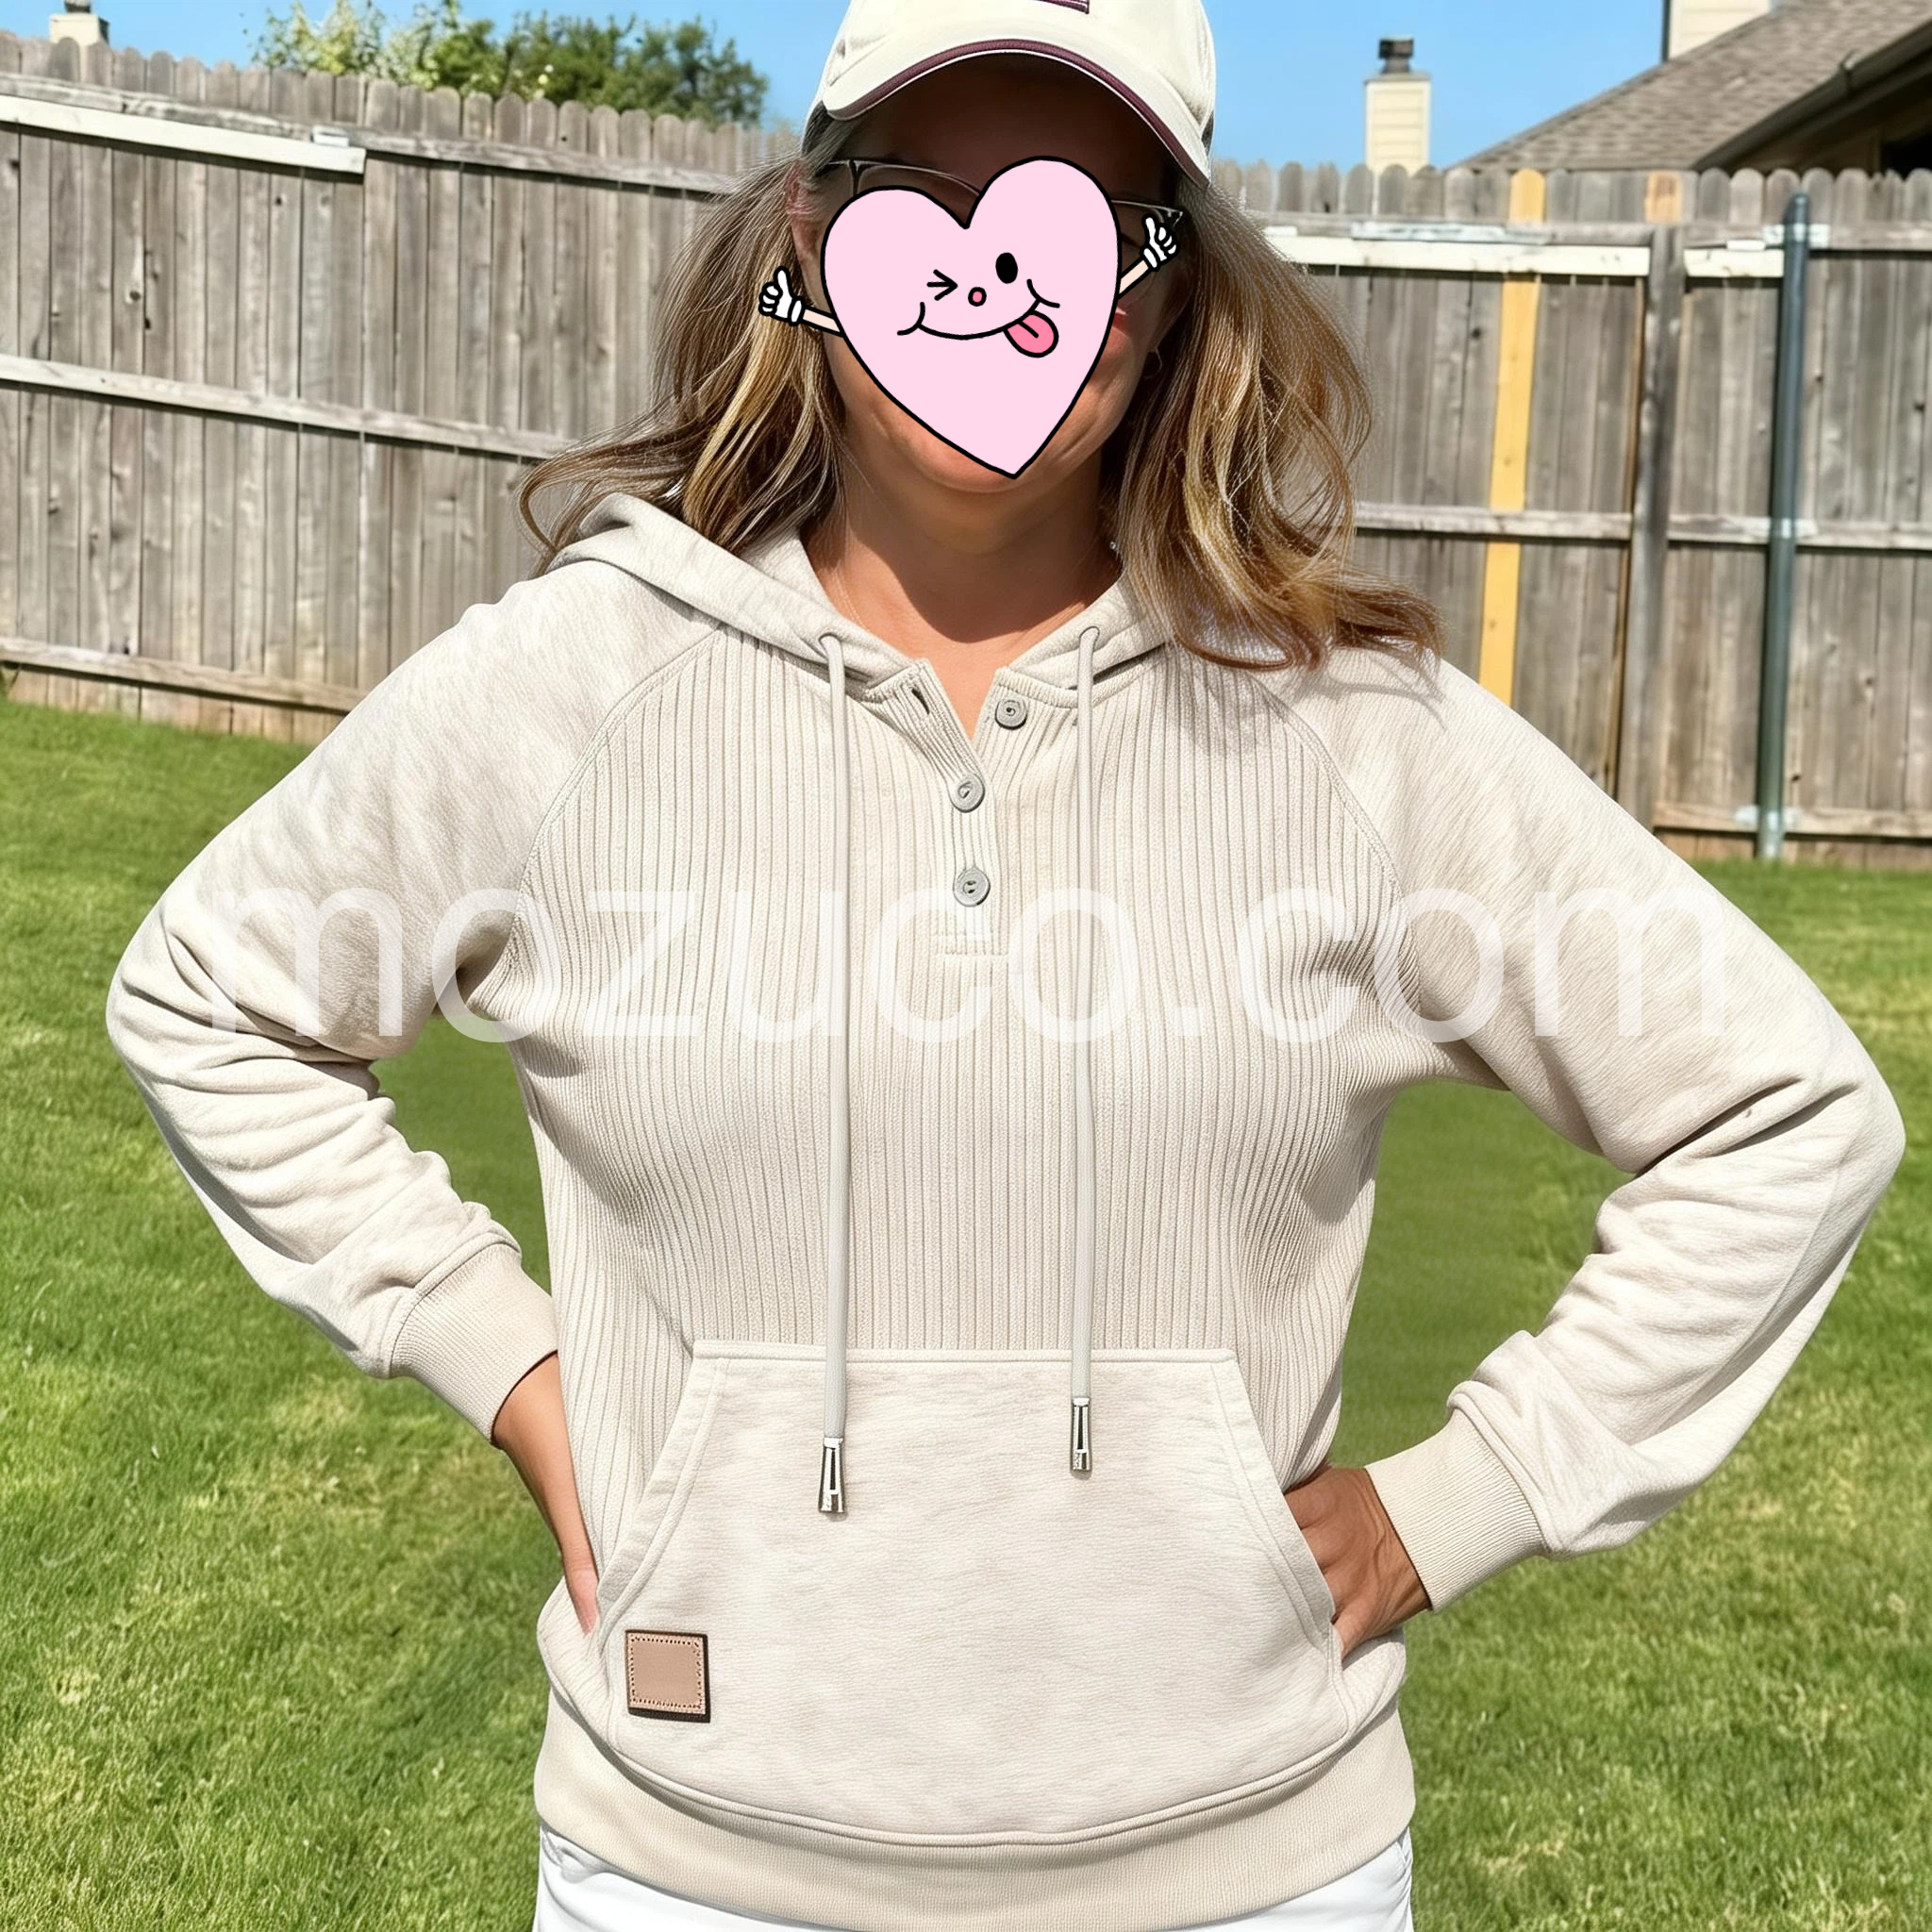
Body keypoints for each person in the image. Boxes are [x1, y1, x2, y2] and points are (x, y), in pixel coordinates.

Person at [103, 0, 1907, 1927]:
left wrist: (1451, 1501)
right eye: (922, 196)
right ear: (809, 244)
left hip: (1250, 1876)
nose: (989, 281)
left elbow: (1783, 1113)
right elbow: (212, 997)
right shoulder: (570, 689)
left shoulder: (1353, 743)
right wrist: (518, 1369)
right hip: (686, 1868)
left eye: (1074, 218)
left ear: (1163, 288)